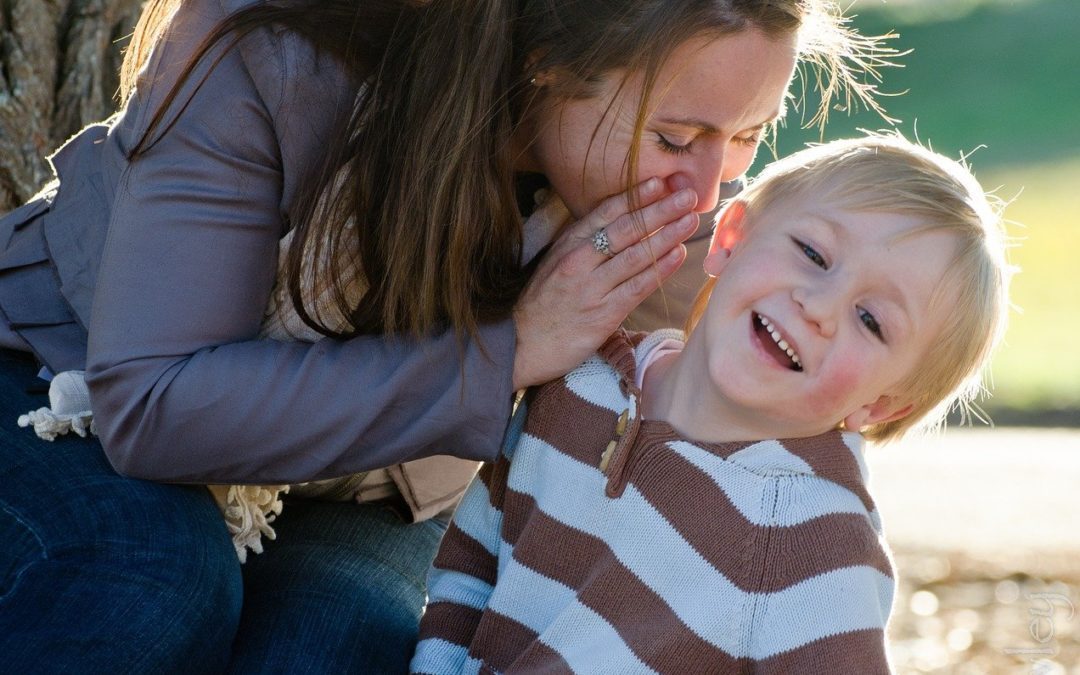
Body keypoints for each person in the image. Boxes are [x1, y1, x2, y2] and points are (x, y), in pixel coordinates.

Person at [0, 0, 892, 671]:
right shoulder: (277, 58)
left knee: (334, 642)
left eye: (745, 138)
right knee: (149, 580)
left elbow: (684, 438)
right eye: (675, 136)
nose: (705, 191)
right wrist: (510, 351)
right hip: (61, 386)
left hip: (368, 487)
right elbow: (154, 404)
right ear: (546, 62)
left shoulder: (671, 210)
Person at [410, 134, 1012, 674]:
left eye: (871, 319)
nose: (820, 307)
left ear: (880, 406)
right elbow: (474, 562)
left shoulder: (812, 549)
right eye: (814, 254)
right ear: (730, 239)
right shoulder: (582, 380)